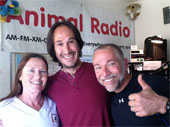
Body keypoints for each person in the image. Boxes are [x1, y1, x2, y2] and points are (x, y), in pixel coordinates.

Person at [46, 21, 112, 126]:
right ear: (53, 49)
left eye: (71, 41)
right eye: (60, 44)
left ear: (78, 44)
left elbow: (124, 91)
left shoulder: (99, 72)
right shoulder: (48, 85)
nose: (67, 50)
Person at [93, 43, 170, 126]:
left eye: (111, 64)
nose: (105, 73)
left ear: (125, 64)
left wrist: (163, 105)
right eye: (98, 67)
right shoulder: (107, 97)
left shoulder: (154, 84)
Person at [0, 53, 59, 127]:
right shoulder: (4, 108)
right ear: (20, 76)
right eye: (31, 71)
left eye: (42, 71)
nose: (37, 76)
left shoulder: (53, 105)